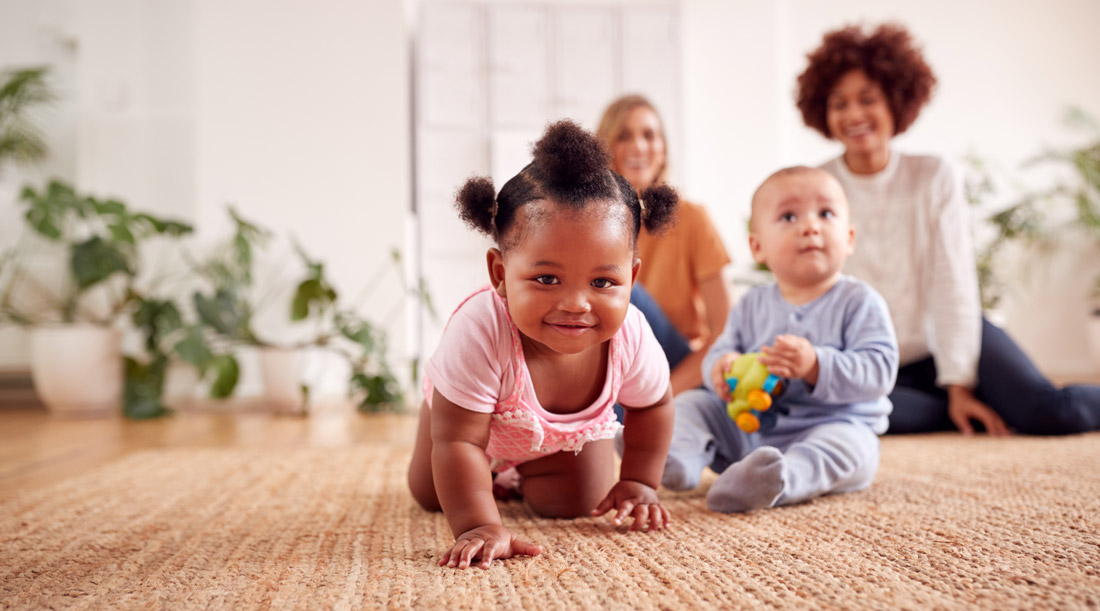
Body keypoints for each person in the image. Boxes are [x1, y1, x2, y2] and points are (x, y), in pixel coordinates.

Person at [795, 23, 1100, 436]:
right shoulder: (816, 185)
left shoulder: (932, 175)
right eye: (838, 104)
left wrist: (960, 383)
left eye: (867, 99)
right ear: (822, 112)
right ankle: (963, 406)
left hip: (951, 337)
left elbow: (951, 280)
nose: (853, 115)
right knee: (854, 420)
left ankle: (969, 397)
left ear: (897, 102)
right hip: (876, 359)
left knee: (1049, 413)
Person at [407, 120, 680, 570]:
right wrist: (479, 524)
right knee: (433, 494)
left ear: (631, 278)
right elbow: (458, 440)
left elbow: (654, 405)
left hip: (558, 441)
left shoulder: (631, 332)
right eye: (546, 278)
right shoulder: (480, 330)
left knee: (576, 502)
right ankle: (477, 467)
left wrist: (638, 480)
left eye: (602, 281)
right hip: (466, 425)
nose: (576, 303)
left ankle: (524, 473)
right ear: (499, 274)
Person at [661, 167, 898, 513]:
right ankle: (677, 458)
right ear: (758, 247)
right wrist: (720, 370)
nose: (810, 226)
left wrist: (816, 364)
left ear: (849, 238)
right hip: (748, 428)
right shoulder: (751, 304)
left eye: (826, 214)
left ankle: (778, 478)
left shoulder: (860, 302)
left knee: (852, 448)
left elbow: (880, 371)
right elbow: (723, 348)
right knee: (693, 405)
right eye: (789, 216)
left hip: (831, 425)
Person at [597, 95, 732, 394]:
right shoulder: (590, 224)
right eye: (623, 136)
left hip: (676, 364)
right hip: (616, 366)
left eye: (649, 135)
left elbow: (725, 331)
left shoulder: (692, 219)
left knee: (624, 290)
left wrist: (664, 393)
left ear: (663, 150)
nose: (639, 146)